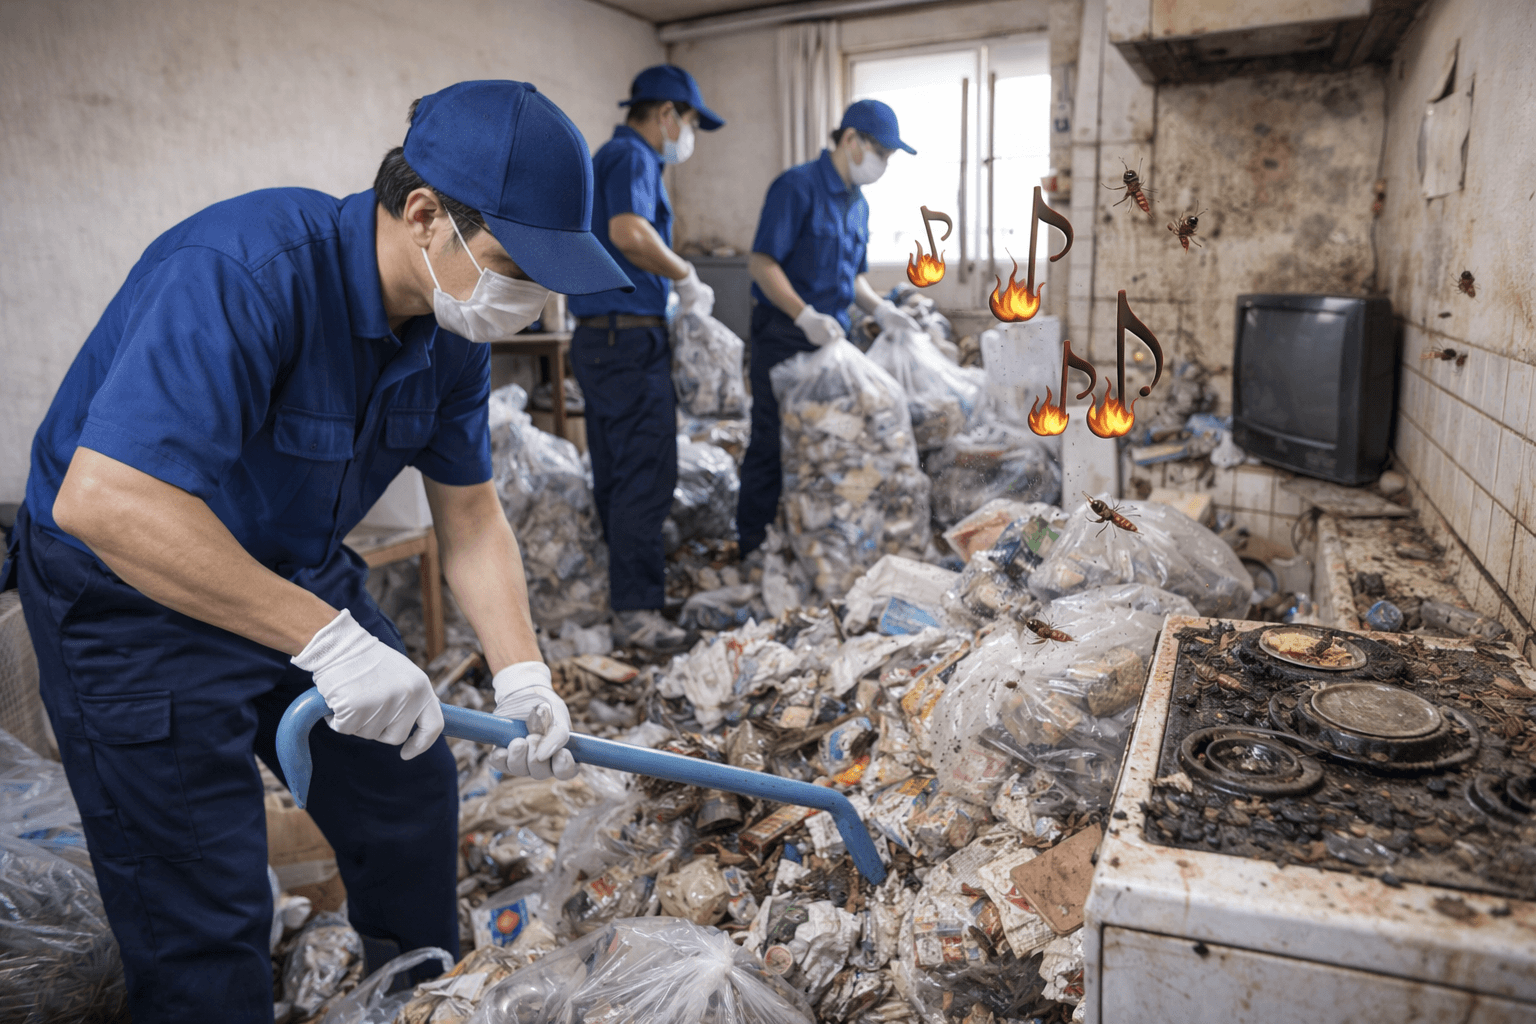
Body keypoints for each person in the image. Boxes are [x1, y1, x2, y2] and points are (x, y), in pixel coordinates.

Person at [0, 81, 624, 1023]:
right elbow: (107, 499)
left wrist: (524, 673)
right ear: (425, 216)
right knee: (204, 904)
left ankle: (413, 1004)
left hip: (289, 568)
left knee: (407, 792)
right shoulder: (245, 272)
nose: (529, 303)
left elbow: (470, 515)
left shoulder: (448, 329)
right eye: (513, 266)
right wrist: (329, 643)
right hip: (130, 597)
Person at [567, 65, 725, 654]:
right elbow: (630, 232)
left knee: (614, 472)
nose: (687, 136)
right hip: (629, 341)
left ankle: (623, 596)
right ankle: (636, 613)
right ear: (666, 116)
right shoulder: (633, 158)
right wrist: (684, 275)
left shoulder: (607, 157)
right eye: (688, 124)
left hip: (601, 340)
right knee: (645, 474)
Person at [737, 99, 922, 556]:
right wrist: (802, 313)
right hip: (784, 338)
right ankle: (754, 545)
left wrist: (880, 309)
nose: (883, 165)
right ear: (851, 140)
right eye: (881, 153)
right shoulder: (796, 188)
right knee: (772, 444)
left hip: (835, 345)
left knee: (828, 444)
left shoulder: (858, 204)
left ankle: (818, 541)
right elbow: (762, 262)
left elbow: (853, 276)